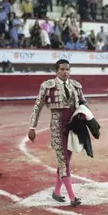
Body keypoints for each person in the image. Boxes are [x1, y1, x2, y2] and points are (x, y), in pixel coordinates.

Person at [28, 59, 87, 206]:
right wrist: (32, 127)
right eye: (62, 69)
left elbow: (84, 103)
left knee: (65, 160)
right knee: (64, 161)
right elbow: (38, 106)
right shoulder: (48, 86)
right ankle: (73, 198)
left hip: (73, 126)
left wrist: (87, 120)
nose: (65, 72)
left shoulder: (75, 85)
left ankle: (56, 192)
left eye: (67, 69)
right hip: (57, 126)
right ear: (56, 70)